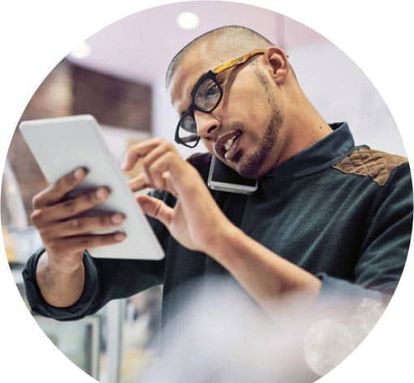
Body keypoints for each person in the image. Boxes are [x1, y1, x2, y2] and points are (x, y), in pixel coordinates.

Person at [23, 25, 412, 334]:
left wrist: (221, 241)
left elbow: (368, 333)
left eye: (209, 91)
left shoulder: (390, 184)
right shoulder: (192, 184)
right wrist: (62, 256)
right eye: (190, 119)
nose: (205, 125)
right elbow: (71, 294)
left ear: (275, 66)